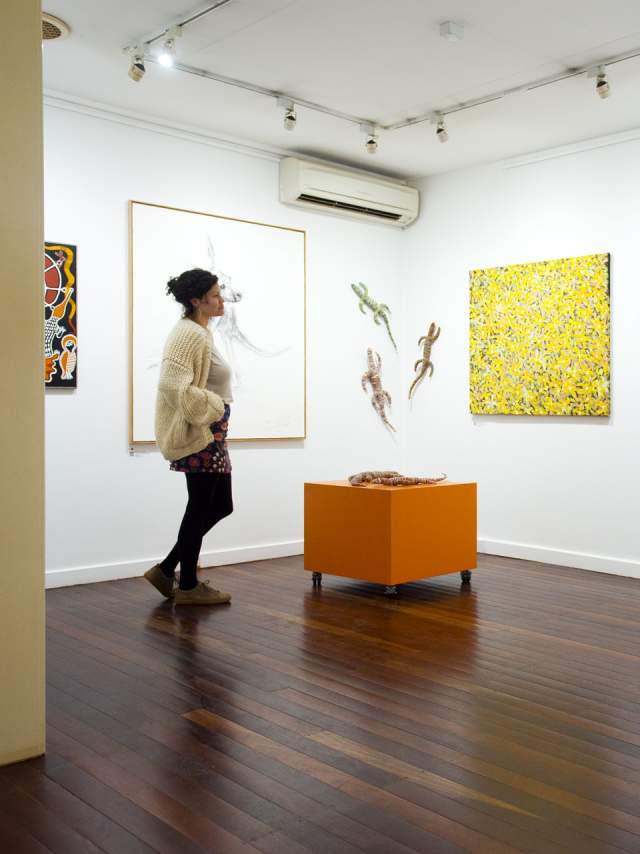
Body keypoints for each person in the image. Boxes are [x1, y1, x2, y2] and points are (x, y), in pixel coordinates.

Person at [144, 268, 234, 605]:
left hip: (211, 432)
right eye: (213, 295)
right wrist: (212, 407)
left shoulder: (200, 331)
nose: (220, 299)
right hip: (202, 433)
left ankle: (167, 570)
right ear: (196, 301)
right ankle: (188, 587)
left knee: (220, 505)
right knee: (201, 506)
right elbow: (171, 385)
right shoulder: (189, 334)